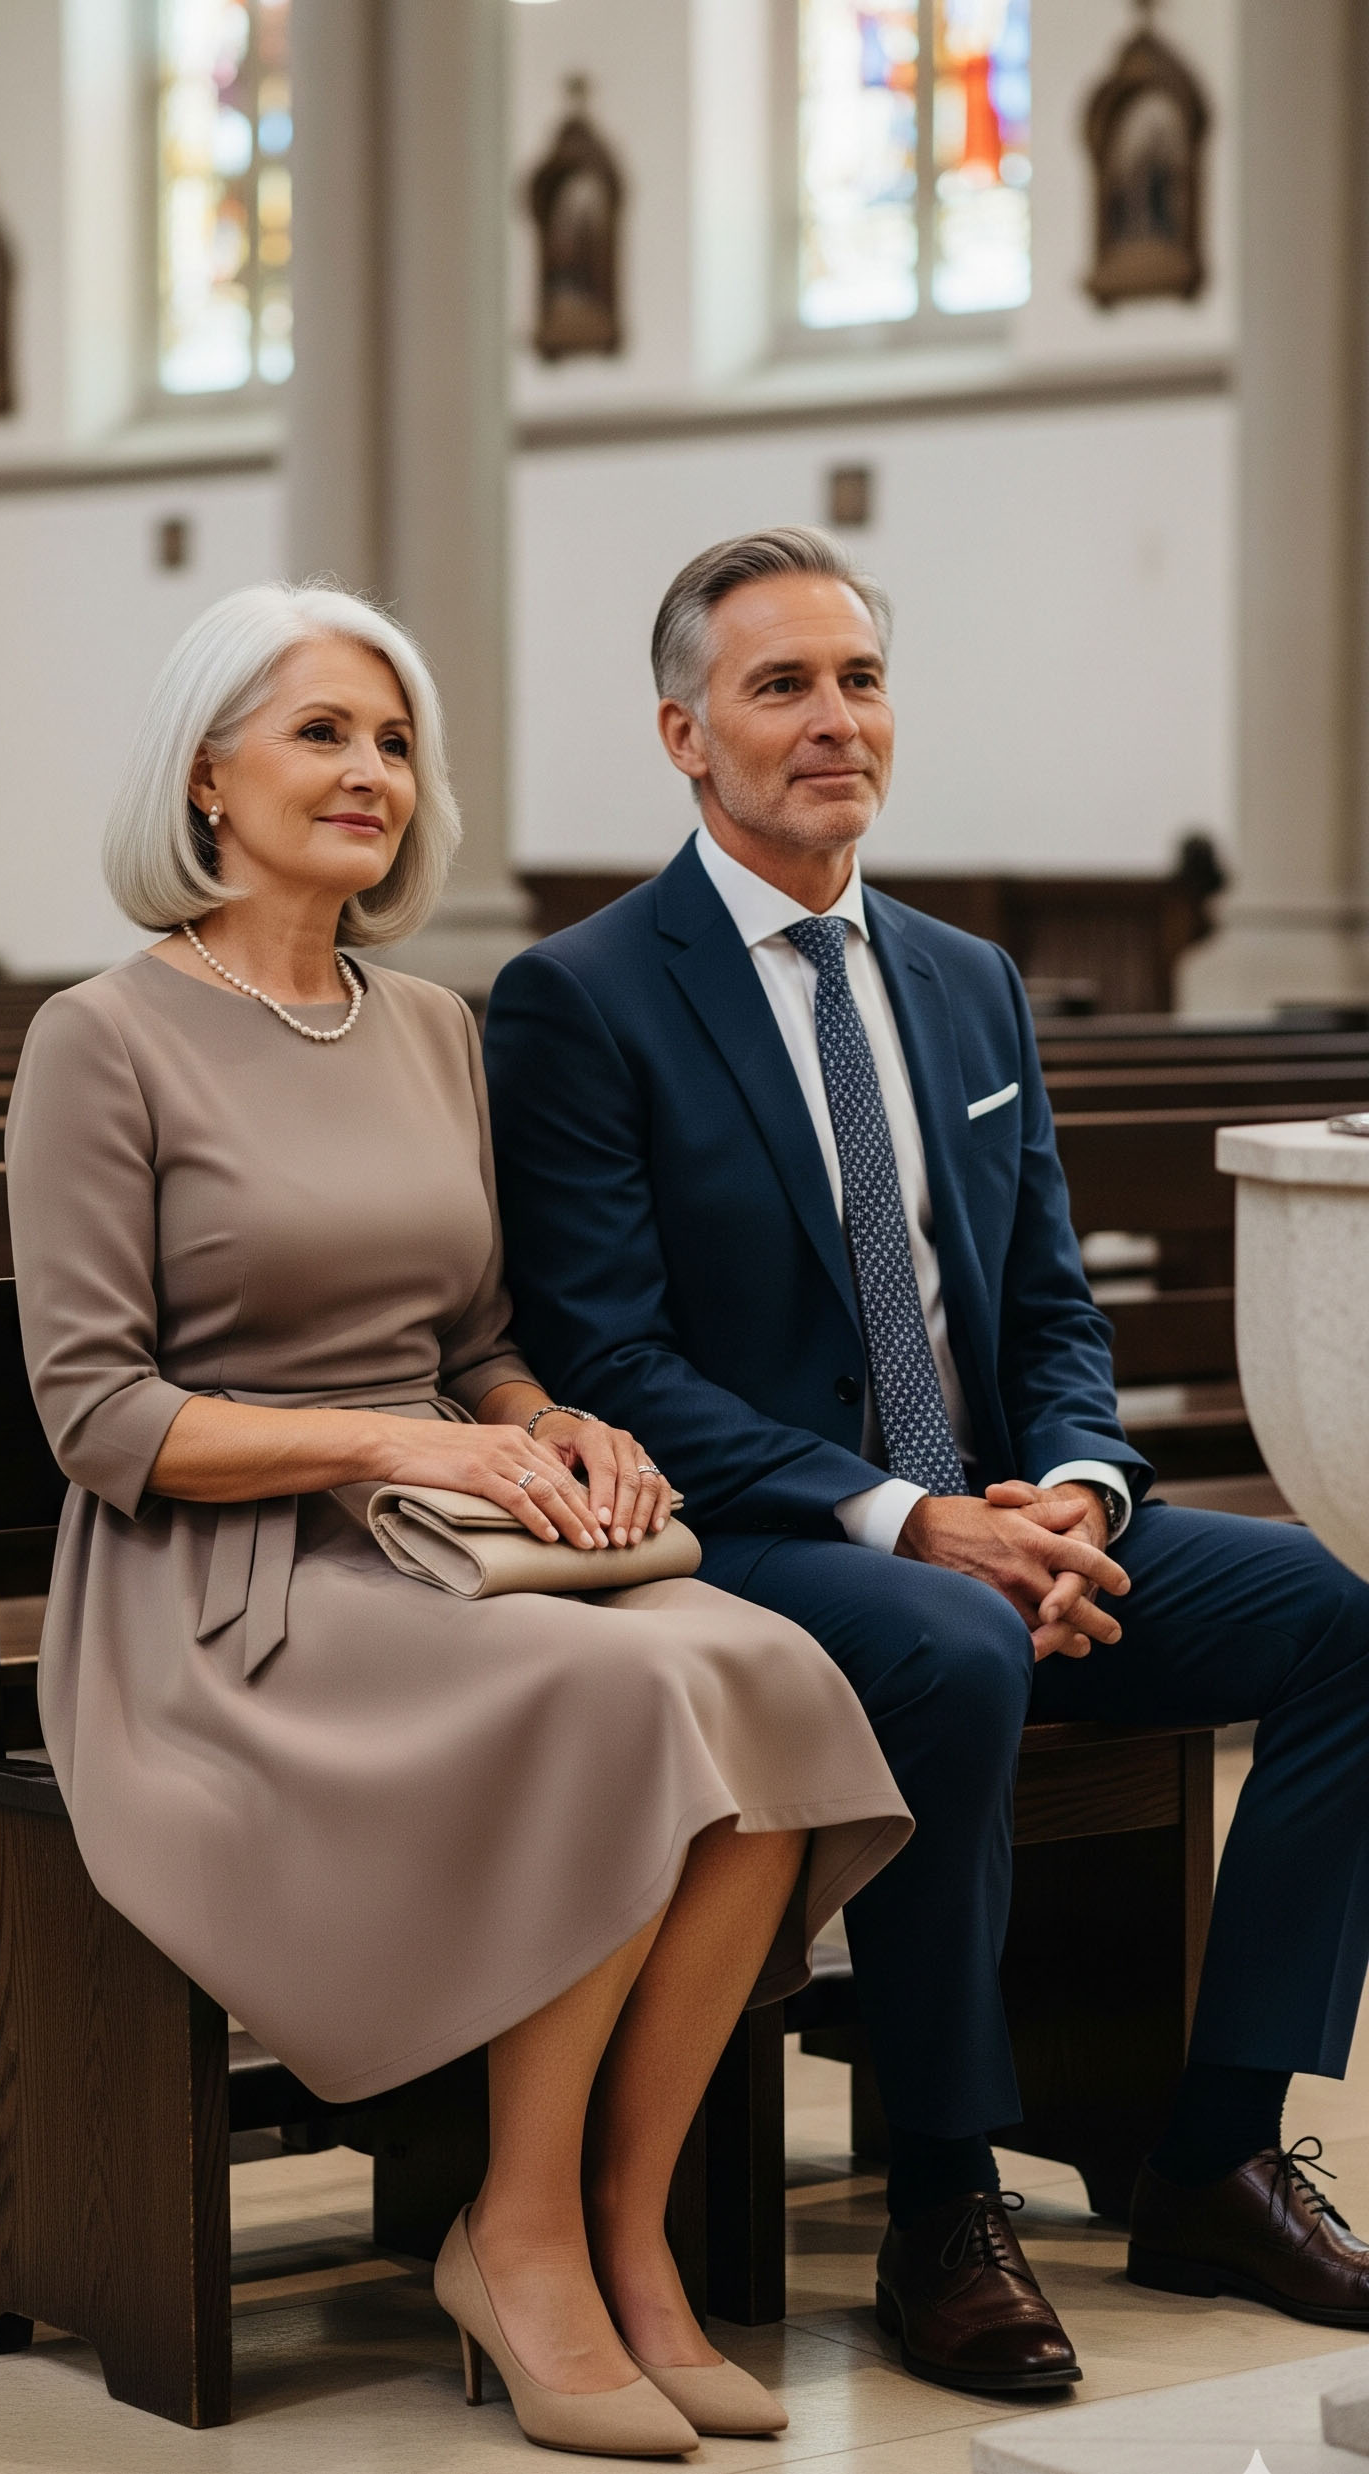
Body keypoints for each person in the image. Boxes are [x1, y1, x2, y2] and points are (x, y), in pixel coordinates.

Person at [4, 580, 912, 2459]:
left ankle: (626, 2237)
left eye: (396, 742)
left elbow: (480, 1345)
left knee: (776, 1677)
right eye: (323, 732)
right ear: (202, 779)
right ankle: (514, 2235)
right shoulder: (107, 1039)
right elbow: (102, 1420)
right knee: (621, 1709)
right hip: (218, 1601)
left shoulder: (427, 1023)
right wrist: (404, 1449)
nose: (371, 774)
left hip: (442, 1544)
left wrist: (556, 1432)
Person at [483, 526, 1369, 2400]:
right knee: (945, 1642)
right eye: (779, 687)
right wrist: (907, 1515)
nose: (832, 723)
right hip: (751, 1537)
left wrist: (1075, 1492)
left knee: (1333, 1616)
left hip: (989, 1510)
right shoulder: (584, 996)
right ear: (683, 734)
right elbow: (611, 1355)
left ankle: (1212, 2149)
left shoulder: (964, 982)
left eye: (859, 680)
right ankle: (944, 2200)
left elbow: (1047, 1299)